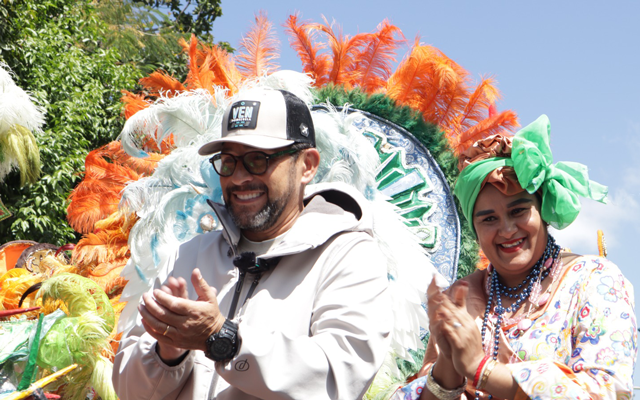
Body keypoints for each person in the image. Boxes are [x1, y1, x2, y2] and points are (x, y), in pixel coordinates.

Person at [112, 88, 391, 399]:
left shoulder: (349, 256)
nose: (239, 177)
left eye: (257, 159)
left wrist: (224, 340)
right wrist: (167, 352)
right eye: (229, 162)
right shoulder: (188, 255)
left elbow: (339, 377)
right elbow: (129, 391)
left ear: (307, 165)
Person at [392, 115, 637, 400]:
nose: (507, 230)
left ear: (542, 210)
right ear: (475, 230)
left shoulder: (594, 280)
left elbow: (606, 391)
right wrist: (448, 366)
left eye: (518, 211)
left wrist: (481, 368)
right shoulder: (460, 300)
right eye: (489, 219)